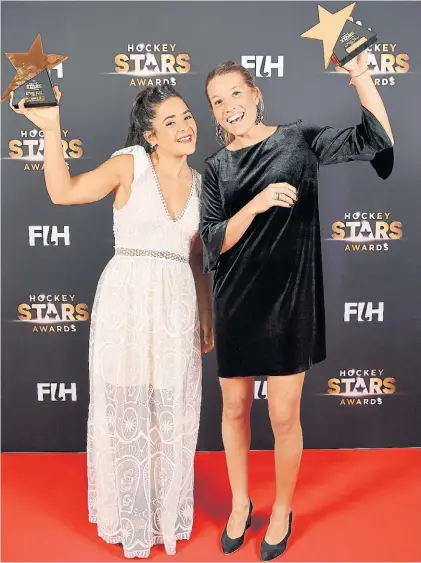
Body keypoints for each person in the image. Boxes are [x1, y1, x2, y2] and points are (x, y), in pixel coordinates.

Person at [200, 51, 394, 561]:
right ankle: (241, 503)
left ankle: (282, 508)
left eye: (236, 94)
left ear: (256, 94)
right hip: (235, 300)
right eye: (217, 102)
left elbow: (375, 142)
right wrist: (257, 203)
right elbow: (212, 240)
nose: (228, 106)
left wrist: (360, 75)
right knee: (235, 408)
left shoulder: (298, 139)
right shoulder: (216, 166)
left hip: (290, 300)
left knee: (284, 415)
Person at [10, 84, 214, 559]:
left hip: (176, 305)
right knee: (124, 409)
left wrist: (206, 316)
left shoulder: (204, 184)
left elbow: (198, 256)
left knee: (170, 412)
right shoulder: (130, 165)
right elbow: (63, 193)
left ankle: (165, 513)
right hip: (127, 300)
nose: (185, 127)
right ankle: (128, 516)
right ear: (150, 134)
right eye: (170, 122)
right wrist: (52, 129)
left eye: (187, 116)